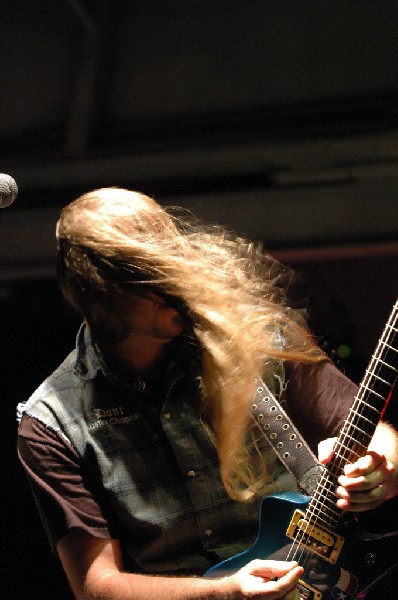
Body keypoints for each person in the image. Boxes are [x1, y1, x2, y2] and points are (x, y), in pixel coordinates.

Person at [17, 187, 398, 600]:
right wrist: (222, 593)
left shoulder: (257, 335)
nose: (179, 286)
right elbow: (95, 586)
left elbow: (370, 431)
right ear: (103, 301)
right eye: (154, 281)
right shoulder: (51, 422)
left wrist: (385, 466)